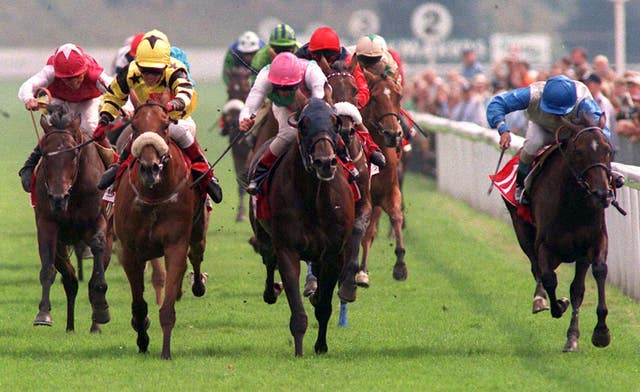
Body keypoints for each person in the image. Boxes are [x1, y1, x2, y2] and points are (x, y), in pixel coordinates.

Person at [93, 29, 222, 203]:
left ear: (165, 65)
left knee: (183, 133)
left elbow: (185, 91)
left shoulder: (176, 70)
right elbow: (113, 95)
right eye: (145, 70)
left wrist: (173, 104)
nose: (149, 76)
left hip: (174, 117)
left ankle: (206, 175)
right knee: (134, 138)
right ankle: (118, 172)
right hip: (147, 120)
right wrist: (106, 116)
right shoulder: (129, 72)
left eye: (155, 71)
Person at [486, 74, 610, 205]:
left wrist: (602, 141)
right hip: (542, 127)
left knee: (594, 148)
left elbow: (602, 130)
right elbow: (497, 103)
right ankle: (520, 185)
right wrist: (503, 129)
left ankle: (608, 178)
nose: (555, 116)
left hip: (573, 132)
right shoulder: (532, 94)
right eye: (552, 110)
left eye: (560, 112)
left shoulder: (583, 101)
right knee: (534, 143)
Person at [17, 43, 112, 192]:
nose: (74, 83)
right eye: (68, 79)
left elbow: (115, 88)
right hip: (61, 100)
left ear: (85, 70)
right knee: (55, 129)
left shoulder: (94, 72)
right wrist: (29, 98)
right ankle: (29, 165)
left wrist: (126, 107)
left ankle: (113, 165)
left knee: (92, 128)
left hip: (88, 100)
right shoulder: (50, 71)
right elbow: (27, 86)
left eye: (78, 77)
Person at [238, 52, 329, 195]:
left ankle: (348, 162)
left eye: (288, 88)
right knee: (289, 133)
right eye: (278, 87)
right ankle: (259, 172)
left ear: (297, 81)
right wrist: (244, 120)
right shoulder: (264, 76)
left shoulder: (313, 72)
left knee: (329, 128)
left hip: (316, 104)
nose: (283, 92)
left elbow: (318, 103)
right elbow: (250, 107)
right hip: (284, 107)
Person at [295, 26, 369, 109]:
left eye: (330, 57)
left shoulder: (347, 61)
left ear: (337, 54)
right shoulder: (298, 61)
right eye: (318, 57)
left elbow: (363, 91)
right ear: (310, 54)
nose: (325, 62)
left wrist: (349, 105)